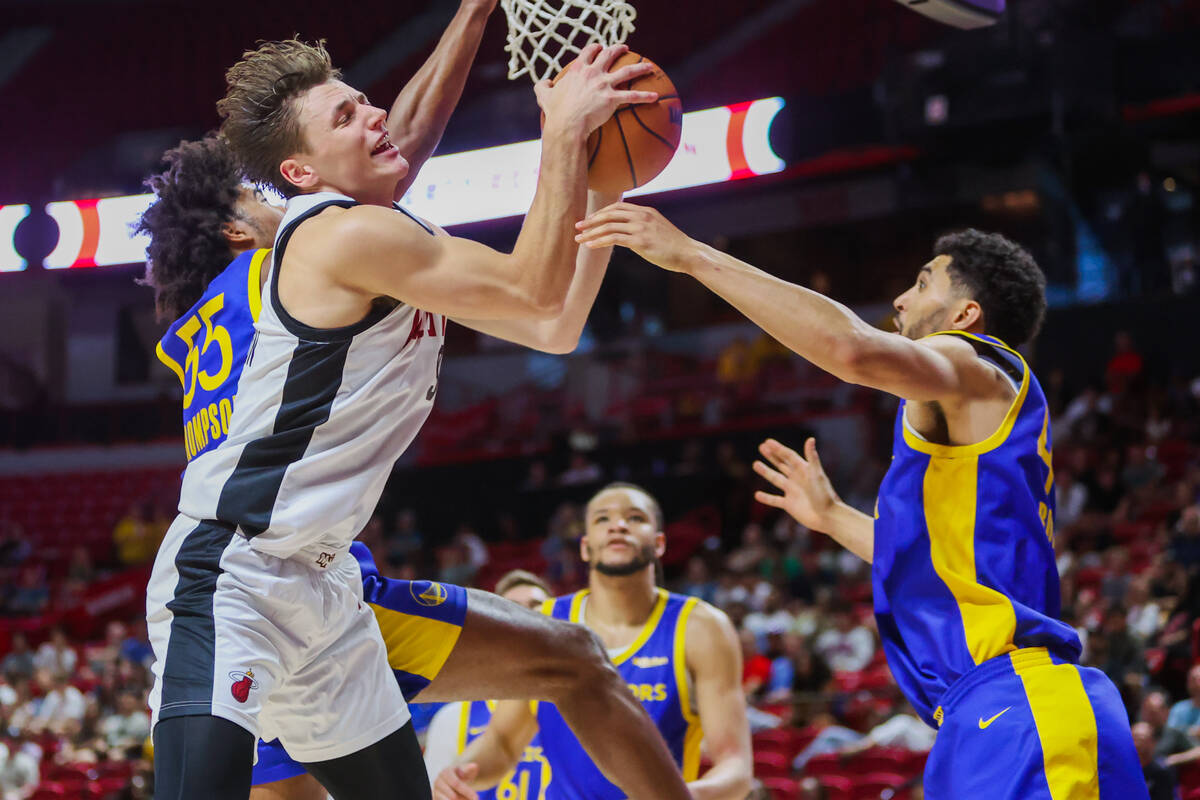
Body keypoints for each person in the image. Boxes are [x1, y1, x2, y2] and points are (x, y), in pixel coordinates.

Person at [141, 22, 689, 800]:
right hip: (236, 573)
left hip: (324, 586)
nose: (373, 118)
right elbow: (529, 288)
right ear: (293, 178)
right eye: (346, 116)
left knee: (563, 663)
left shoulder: (363, 237)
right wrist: (563, 134)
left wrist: (600, 185)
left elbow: (551, 323)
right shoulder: (331, 237)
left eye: (365, 102)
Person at [574, 208, 1147, 797]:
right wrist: (832, 518)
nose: (900, 299)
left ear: (966, 315)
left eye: (923, 283)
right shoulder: (973, 421)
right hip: (984, 713)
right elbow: (936, 559)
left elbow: (851, 351)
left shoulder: (974, 363)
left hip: (1022, 703)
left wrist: (691, 256)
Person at [434, 483, 753, 800]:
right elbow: (503, 741)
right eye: (602, 519)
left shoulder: (702, 627)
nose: (618, 525)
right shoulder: (546, 623)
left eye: (634, 517)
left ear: (658, 543)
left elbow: (735, 768)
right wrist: (460, 772)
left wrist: (679, 797)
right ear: (585, 547)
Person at [424, 571, 552, 796]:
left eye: (536, 606)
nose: (526, 615)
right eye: (512, 607)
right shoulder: (453, 718)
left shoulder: (578, 711)